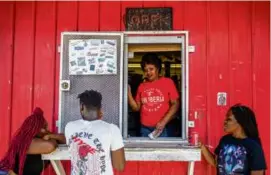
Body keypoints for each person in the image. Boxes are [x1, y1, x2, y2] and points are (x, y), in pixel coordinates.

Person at [65, 90, 125, 175]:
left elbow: (70, 139)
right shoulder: (111, 129)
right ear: (100, 108)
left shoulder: (70, 127)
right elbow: (119, 166)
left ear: (82, 107)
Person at [201, 104, 267, 175]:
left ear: (240, 123)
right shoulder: (225, 140)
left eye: (229, 119)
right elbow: (215, 162)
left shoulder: (253, 146)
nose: (225, 121)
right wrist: (202, 146)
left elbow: (257, 173)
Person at [0, 107, 65, 175]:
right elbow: (50, 146)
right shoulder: (28, 142)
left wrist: (51, 136)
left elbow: (66, 140)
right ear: (34, 128)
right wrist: (50, 136)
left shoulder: (43, 139)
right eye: (44, 127)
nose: (46, 130)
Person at [128, 53, 180, 137]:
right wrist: (128, 92)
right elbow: (136, 108)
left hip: (163, 128)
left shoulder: (167, 82)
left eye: (151, 69)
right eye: (145, 70)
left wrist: (163, 122)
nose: (148, 72)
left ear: (158, 68)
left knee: (164, 150)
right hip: (145, 128)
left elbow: (176, 104)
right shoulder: (142, 86)